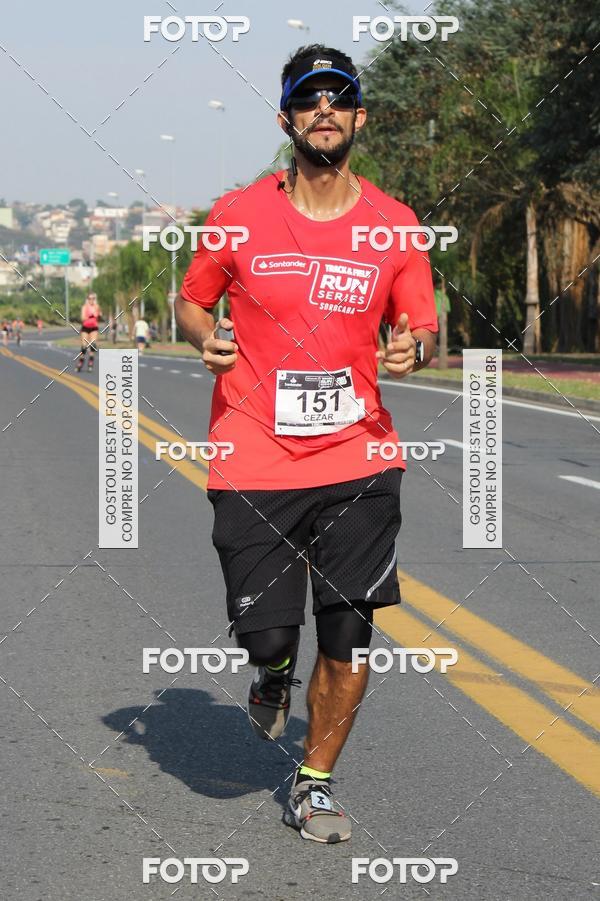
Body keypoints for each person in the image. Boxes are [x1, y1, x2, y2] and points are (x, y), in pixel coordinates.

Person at [175, 44, 438, 844]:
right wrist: (202, 339)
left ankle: (315, 781)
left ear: (359, 116)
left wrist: (415, 348)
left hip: (360, 456)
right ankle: (272, 671)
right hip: (253, 451)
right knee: (271, 632)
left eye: (339, 98)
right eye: (308, 99)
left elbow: (423, 323)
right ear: (287, 118)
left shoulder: (395, 225)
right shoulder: (239, 212)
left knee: (350, 625)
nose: (325, 110)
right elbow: (191, 302)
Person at [76, 292, 102, 372]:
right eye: (90, 298)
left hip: (94, 327)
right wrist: (91, 315)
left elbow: (100, 317)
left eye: (93, 298)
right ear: (87, 299)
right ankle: (81, 361)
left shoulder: (97, 306)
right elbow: (82, 318)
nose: (91, 300)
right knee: (84, 347)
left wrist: (99, 315)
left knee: (93, 345)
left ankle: (90, 362)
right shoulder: (84, 307)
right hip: (85, 328)